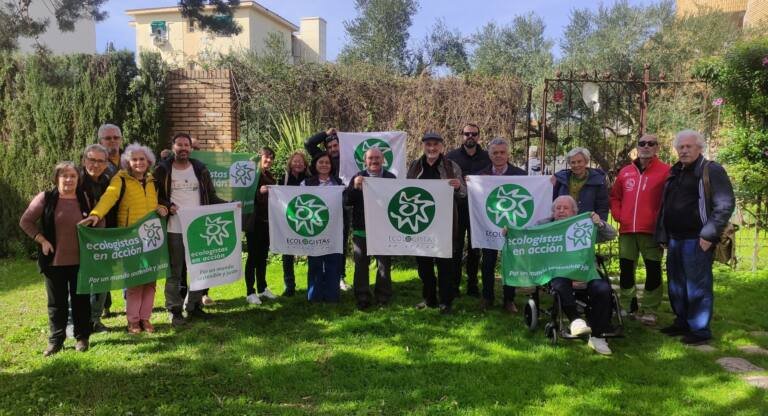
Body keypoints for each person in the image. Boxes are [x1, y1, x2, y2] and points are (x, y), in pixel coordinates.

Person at [655, 130, 735, 345]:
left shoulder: (711, 170)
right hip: (675, 238)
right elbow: (666, 206)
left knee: (697, 285)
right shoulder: (676, 172)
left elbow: (725, 204)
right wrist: (663, 233)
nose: (684, 150)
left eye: (689, 146)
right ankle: (681, 321)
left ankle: (699, 330)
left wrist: (709, 233)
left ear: (700, 148)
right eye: (680, 147)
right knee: (676, 284)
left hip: (697, 238)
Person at [80, 143, 169, 334]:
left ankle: (146, 318)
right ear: (127, 162)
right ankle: (133, 321)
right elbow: (109, 197)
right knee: (135, 282)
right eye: (134, 159)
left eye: (142, 159)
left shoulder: (153, 181)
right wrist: (96, 214)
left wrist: (162, 208)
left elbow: (158, 203)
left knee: (150, 281)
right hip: (130, 240)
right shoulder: (120, 179)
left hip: (152, 238)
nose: (138, 163)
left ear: (148, 161)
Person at [20, 162, 94, 356]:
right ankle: (56, 340)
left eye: (73, 176)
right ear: (56, 178)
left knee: (81, 301)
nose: (69, 179)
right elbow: (25, 221)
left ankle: (82, 337)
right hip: (53, 261)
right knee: (57, 303)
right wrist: (42, 240)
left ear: (78, 180)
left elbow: (98, 220)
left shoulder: (84, 197)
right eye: (64, 176)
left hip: (81, 261)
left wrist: (95, 223)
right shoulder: (46, 198)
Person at [154, 133, 227, 326]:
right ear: (173, 146)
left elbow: (210, 195)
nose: (183, 148)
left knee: (199, 268)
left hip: (198, 228)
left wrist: (230, 206)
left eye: (186, 145)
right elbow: (155, 196)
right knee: (175, 272)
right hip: (174, 228)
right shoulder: (162, 169)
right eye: (180, 145)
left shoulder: (200, 169)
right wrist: (167, 204)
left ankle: (194, 307)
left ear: (191, 148)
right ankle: (174, 310)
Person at [543, 195, 617, 355]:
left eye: (565, 208)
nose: (561, 211)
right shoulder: (544, 226)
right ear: (553, 212)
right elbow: (526, 236)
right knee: (560, 284)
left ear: (574, 212)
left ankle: (598, 335)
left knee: (603, 288)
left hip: (585, 271)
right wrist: (511, 232)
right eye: (558, 208)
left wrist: (600, 223)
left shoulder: (583, 226)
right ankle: (576, 320)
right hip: (559, 273)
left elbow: (612, 235)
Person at [610, 134, 669, 325]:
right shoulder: (626, 171)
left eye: (651, 143)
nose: (646, 146)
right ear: (637, 147)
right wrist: (620, 217)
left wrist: (660, 223)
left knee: (653, 270)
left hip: (651, 231)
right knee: (626, 269)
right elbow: (615, 197)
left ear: (657, 148)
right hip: (627, 230)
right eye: (642, 143)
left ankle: (650, 309)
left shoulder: (665, 171)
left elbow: (669, 201)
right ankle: (629, 306)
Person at [406, 132, 466, 314]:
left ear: (441, 147)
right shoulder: (415, 166)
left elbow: (464, 193)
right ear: (423, 146)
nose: (431, 148)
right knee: (424, 265)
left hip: (445, 223)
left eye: (435, 145)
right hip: (422, 223)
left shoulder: (451, 166)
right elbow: (406, 189)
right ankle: (429, 298)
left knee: (445, 265)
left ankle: (445, 301)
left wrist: (458, 187)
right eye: (428, 145)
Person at [475, 138, 526, 313]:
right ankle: (487, 297)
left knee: (510, 264)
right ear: (489, 155)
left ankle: (509, 300)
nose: (498, 156)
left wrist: (548, 183)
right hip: (490, 226)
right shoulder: (481, 176)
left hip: (511, 227)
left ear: (508, 154)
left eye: (502, 152)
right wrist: (471, 182)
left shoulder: (520, 175)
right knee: (487, 263)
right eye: (495, 153)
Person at [345, 147, 396, 310]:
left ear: (383, 160)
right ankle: (362, 297)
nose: (374, 161)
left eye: (377, 158)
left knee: (384, 264)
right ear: (365, 161)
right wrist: (354, 187)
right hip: (362, 228)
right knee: (361, 264)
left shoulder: (391, 178)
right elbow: (347, 201)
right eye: (370, 158)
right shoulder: (358, 177)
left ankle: (383, 297)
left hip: (384, 228)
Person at [446, 123, 490, 297]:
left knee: (475, 248)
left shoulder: (488, 157)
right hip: (457, 208)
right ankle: (454, 285)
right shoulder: (451, 156)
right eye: (467, 133)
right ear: (462, 135)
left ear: (479, 136)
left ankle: (472, 284)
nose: (470, 136)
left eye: (474, 134)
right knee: (455, 248)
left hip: (479, 210)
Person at [304, 128, 350, 290]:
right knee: (320, 240)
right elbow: (308, 143)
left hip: (342, 208)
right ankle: (320, 276)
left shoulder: (349, 158)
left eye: (335, 146)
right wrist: (325, 133)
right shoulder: (324, 160)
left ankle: (340, 276)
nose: (332, 150)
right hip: (321, 209)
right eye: (329, 147)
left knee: (340, 242)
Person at [79, 144, 115, 333]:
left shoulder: (108, 181)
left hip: (103, 239)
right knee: (81, 281)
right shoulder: (75, 179)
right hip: (80, 240)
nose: (96, 164)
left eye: (101, 161)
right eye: (92, 160)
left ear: (107, 163)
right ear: (85, 160)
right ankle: (76, 321)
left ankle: (95, 319)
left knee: (102, 281)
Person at [301, 152, 345, 302]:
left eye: (327, 162)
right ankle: (315, 295)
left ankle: (332, 295)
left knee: (334, 262)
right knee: (315, 263)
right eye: (321, 162)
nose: (324, 165)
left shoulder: (339, 183)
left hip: (334, 229)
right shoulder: (306, 183)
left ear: (331, 166)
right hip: (314, 229)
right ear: (315, 165)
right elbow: (296, 199)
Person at [243, 147, 278, 305]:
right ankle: (250, 292)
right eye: (266, 157)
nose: (269, 160)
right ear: (260, 157)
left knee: (263, 257)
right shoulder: (251, 175)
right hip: (254, 222)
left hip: (266, 222)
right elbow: (244, 195)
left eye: (271, 158)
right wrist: (259, 192)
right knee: (252, 257)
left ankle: (262, 288)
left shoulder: (270, 176)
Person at [279, 151, 309, 296]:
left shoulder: (310, 179)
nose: (298, 164)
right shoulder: (283, 178)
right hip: (288, 220)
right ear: (290, 163)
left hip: (307, 220)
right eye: (295, 161)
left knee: (312, 250)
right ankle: (289, 285)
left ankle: (312, 284)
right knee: (287, 253)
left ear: (305, 165)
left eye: (301, 162)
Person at [552, 147, 609, 220]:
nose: (576, 165)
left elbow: (602, 207)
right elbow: (553, 201)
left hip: (587, 223)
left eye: (579, 161)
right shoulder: (561, 179)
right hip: (563, 223)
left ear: (586, 162)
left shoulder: (598, 181)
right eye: (573, 162)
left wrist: (600, 224)